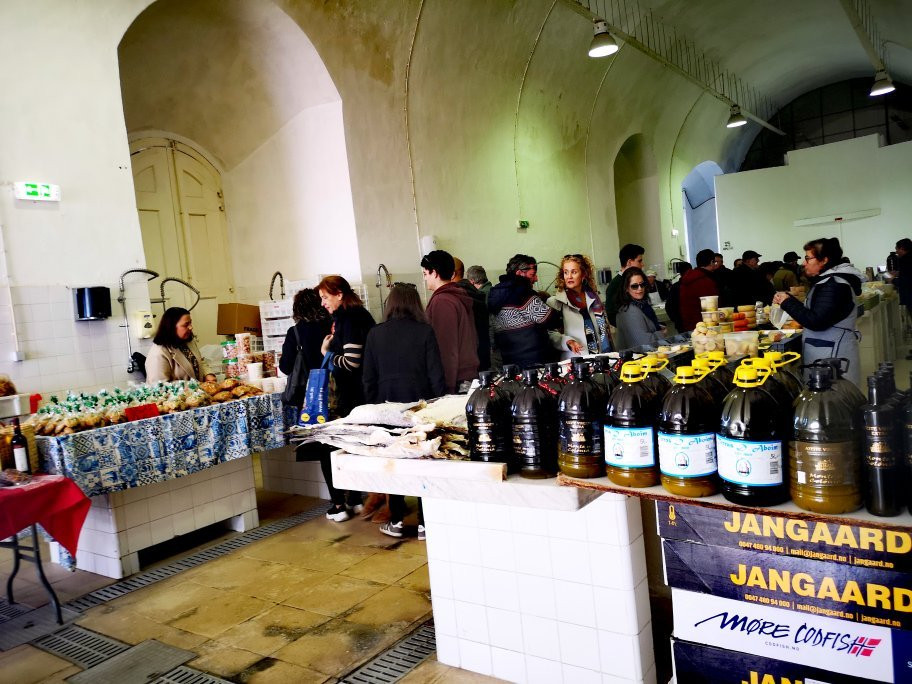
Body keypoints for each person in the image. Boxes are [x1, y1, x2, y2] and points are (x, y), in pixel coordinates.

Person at [363, 284, 445, 540]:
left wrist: (375, 406)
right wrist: (438, 404)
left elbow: (368, 377)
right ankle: (424, 523)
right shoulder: (425, 332)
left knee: (394, 462)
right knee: (422, 461)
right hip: (419, 407)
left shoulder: (375, 334)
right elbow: (436, 374)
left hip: (387, 408)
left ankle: (396, 520)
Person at [317, 275, 376, 521]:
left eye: (325, 297)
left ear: (339, 294)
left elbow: (351, 362)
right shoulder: (359, 314)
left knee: (337, 447)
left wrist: (326, 353)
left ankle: (344, 503)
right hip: (365, 394)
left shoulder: (349, 319)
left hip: (353, 396)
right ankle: (358, 500)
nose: (323, 303)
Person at [773, 237, 864, 385]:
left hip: (833, 357)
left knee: (835, 403)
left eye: (808, 259)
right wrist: (790, 300)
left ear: (824, 260)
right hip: (827, 353)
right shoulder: (829, 281)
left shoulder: (833, 285)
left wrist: (787, 302)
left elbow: (816, 321)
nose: (804, 263)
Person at [421, 250, 479, 392]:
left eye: (425, 274)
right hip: (465, 374)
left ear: (434, 273)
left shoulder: (443, 301)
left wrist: (446, 386)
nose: (425, 279)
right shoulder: (456, 295)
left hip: (456, 379)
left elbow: (446, 347)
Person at [488, 254, 555, 368]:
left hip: (509, 361)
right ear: (519, 273)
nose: (536, 279)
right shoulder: (523, 293)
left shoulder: (494, 294)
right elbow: (551, 320)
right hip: (533, 361)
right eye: (532, 275)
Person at [546, 254, 612, 359]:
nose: (569, 276)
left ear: (583, 274)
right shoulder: (555, 302)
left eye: (574, 272)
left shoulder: (595, 299)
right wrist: (568, 341)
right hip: (574, 360)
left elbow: (604, 331)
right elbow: (550, 333)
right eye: (566, 272)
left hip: (600, 357)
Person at [279, 288, 332, 410]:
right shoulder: (332, 326)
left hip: (307, 395)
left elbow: (285, 367)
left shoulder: (295, 332)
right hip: (334, 388)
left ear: (297, 309)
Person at [146, 307, 215, 383]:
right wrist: (193, 386)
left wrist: (208, 374)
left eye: (190, 323)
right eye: (186, 325)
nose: (191, 327)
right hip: (179, 394)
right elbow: (159, 387)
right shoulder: (158, 353)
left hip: (197, 393)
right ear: (171, 327)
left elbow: (200, 361)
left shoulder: (188, 341)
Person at [452, 257, 491, 371]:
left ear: (452, 274)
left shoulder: (457, 296)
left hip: (467, 362)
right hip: (482, 354)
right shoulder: (475, 294)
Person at [614, 267, 667, 350]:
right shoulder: (629, 311)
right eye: (634, 286)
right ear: (626, 288)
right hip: (638, 359)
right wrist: (660, 333)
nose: (640, 289)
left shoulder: (643, 305)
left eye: (642, 284)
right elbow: (644, 343)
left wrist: (657, 326)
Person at [678, 249, 719, 332]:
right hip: (706, 326)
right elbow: (713, 306)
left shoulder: (686, 279)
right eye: (715, 262)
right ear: (711, 262)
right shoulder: (705, 281)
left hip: (689, 325)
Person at [605, 244, 645, 326]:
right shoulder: (615, 285)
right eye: (639, 261)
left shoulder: (638, 280)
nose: (642, 264)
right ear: (629, 262)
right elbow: (612, 316)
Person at [891, 239, 912, 354]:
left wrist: (893, 280)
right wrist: (899, 273)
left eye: (897, 248)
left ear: (903, 249)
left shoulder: (905, 260)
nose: (896, 251)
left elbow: (907, 281)